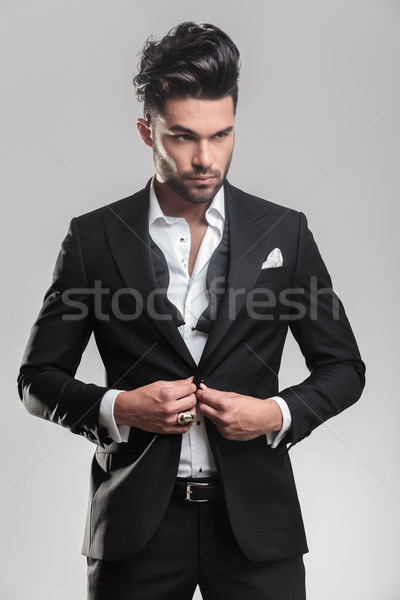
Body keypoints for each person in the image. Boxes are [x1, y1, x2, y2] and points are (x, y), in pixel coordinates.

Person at [18, 22, 365, 600]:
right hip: (134, 529)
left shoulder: (286, 233)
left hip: (258, 529)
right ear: (146, 132)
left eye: (221, 135)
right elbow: (36, 380)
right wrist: (119, 407)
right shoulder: (93, 238)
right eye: (182, 137)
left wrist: (274, 414)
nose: (206, 158)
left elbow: (345, 369)